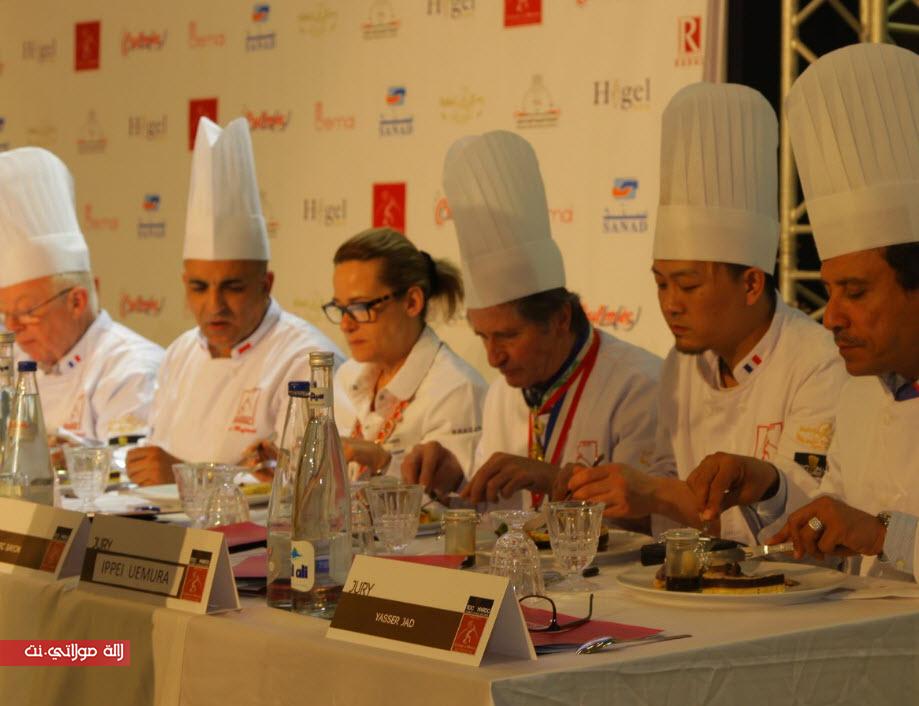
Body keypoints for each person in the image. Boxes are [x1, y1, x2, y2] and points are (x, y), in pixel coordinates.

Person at [566, 83, 846, 545]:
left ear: (751, 284)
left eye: (689, 285)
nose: (670, 303)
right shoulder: (682, 365)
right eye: (661, 283)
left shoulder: (816, 361)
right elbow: (664, 478)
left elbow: (801, 518)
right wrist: (610, 491)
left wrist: (654, 494)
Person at [688, 43, 919, 580]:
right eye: (829, 291)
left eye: (856, 292)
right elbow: (834, 526)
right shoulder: (862, 389)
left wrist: (886, 536)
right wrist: (770, 488)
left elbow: (871, 533)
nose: (832, 316)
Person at [402, 130, 662, 507]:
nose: (493, 357)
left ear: (560, 318)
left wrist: (552, 479)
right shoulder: (502, 394)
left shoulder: (638, 387)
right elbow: (493, 516)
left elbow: (647, 519)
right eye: (482, 337)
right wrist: (455, 480)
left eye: (507, 336)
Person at [126, 117, 342, 486]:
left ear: (266, 284)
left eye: (233, 287)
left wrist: (187, 478)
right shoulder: (180, 353)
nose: (215, 305)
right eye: (199, 287)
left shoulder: (305, 361)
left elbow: (312, 488)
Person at [0, 147, 163, 445]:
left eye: (26, 312)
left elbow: (132, 465)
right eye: (6, 314)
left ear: (76, 301)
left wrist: (69, 455)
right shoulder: (16, 364)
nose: (13, 327)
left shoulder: (131, 367)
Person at [328, 227, 486, 481]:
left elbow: (451, 500)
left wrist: (384, 462)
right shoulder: (348, 376)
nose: (346, 324)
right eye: (340, 308)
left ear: (412, 302)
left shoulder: (457, 391)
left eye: (359, 307)